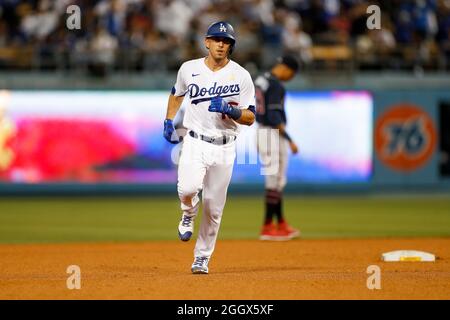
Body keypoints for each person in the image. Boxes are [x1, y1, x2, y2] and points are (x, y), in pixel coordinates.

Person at [163, 21, 256, 274]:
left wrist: (231, 109)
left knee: (214, 208)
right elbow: (176, 93)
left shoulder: (241, 76)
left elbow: (250, 117)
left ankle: (202, 257)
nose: (221, 44)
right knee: (187, 189)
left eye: (226, 41)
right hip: (194, 140)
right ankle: (187, 213)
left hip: (225, 147)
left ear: (231, 46)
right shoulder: (189, 68)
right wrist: (169, 119)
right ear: (207, 42)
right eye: (217, 39)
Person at [254, 55, 301, 241]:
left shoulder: (260, 79)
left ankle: (280, 223)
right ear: (287, 69)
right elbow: (274, 117)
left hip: (261, 131)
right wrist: (290, 139)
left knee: (277, 180)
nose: (290, 77)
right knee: (274, 181)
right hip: (272, 133)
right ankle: (267, 226)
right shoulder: (276, 85)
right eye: (292, 74)